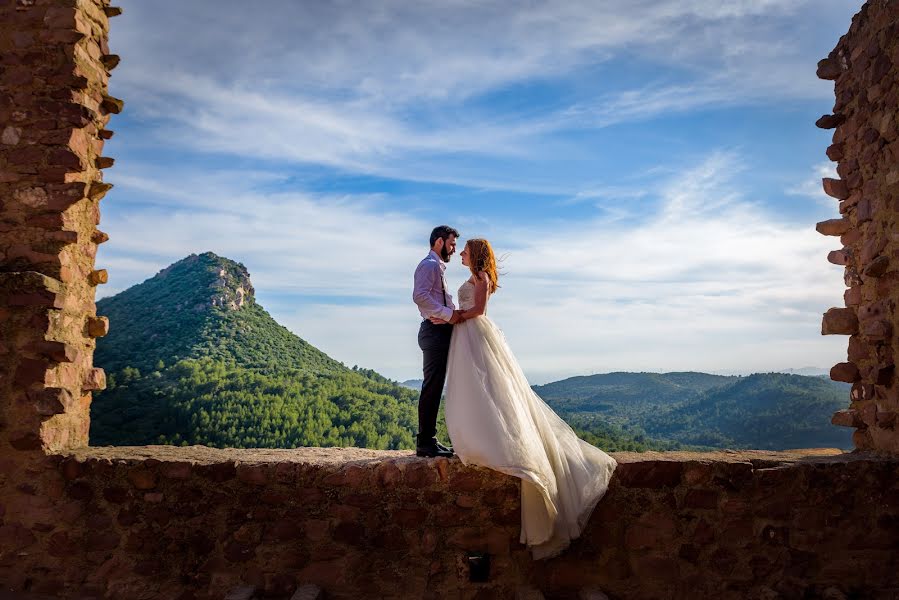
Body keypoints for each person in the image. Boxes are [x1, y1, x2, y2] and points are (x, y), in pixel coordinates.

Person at [433, 238, 617, 559]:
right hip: (468, 336)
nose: (460, 253)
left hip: (474, 332)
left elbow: (478, 310)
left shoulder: (481, 279)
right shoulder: (476, 278)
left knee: (491, 389)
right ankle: (477, 438)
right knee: (476, 391)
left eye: (464, 251)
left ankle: (495, 443)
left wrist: (453, 316)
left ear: (474, 255)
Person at [411, 225, 463, 458]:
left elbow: (436, 298)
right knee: (432, 386)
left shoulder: (437, 267)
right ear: (440, 242)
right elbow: (419, 296)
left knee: (435, 385)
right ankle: (424, 442)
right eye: (452, 244)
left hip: (438, 331)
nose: (454, 249)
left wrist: (452, 313)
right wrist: (448, 314)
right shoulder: (429, 265)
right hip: (433, 332)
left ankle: (429, 439)